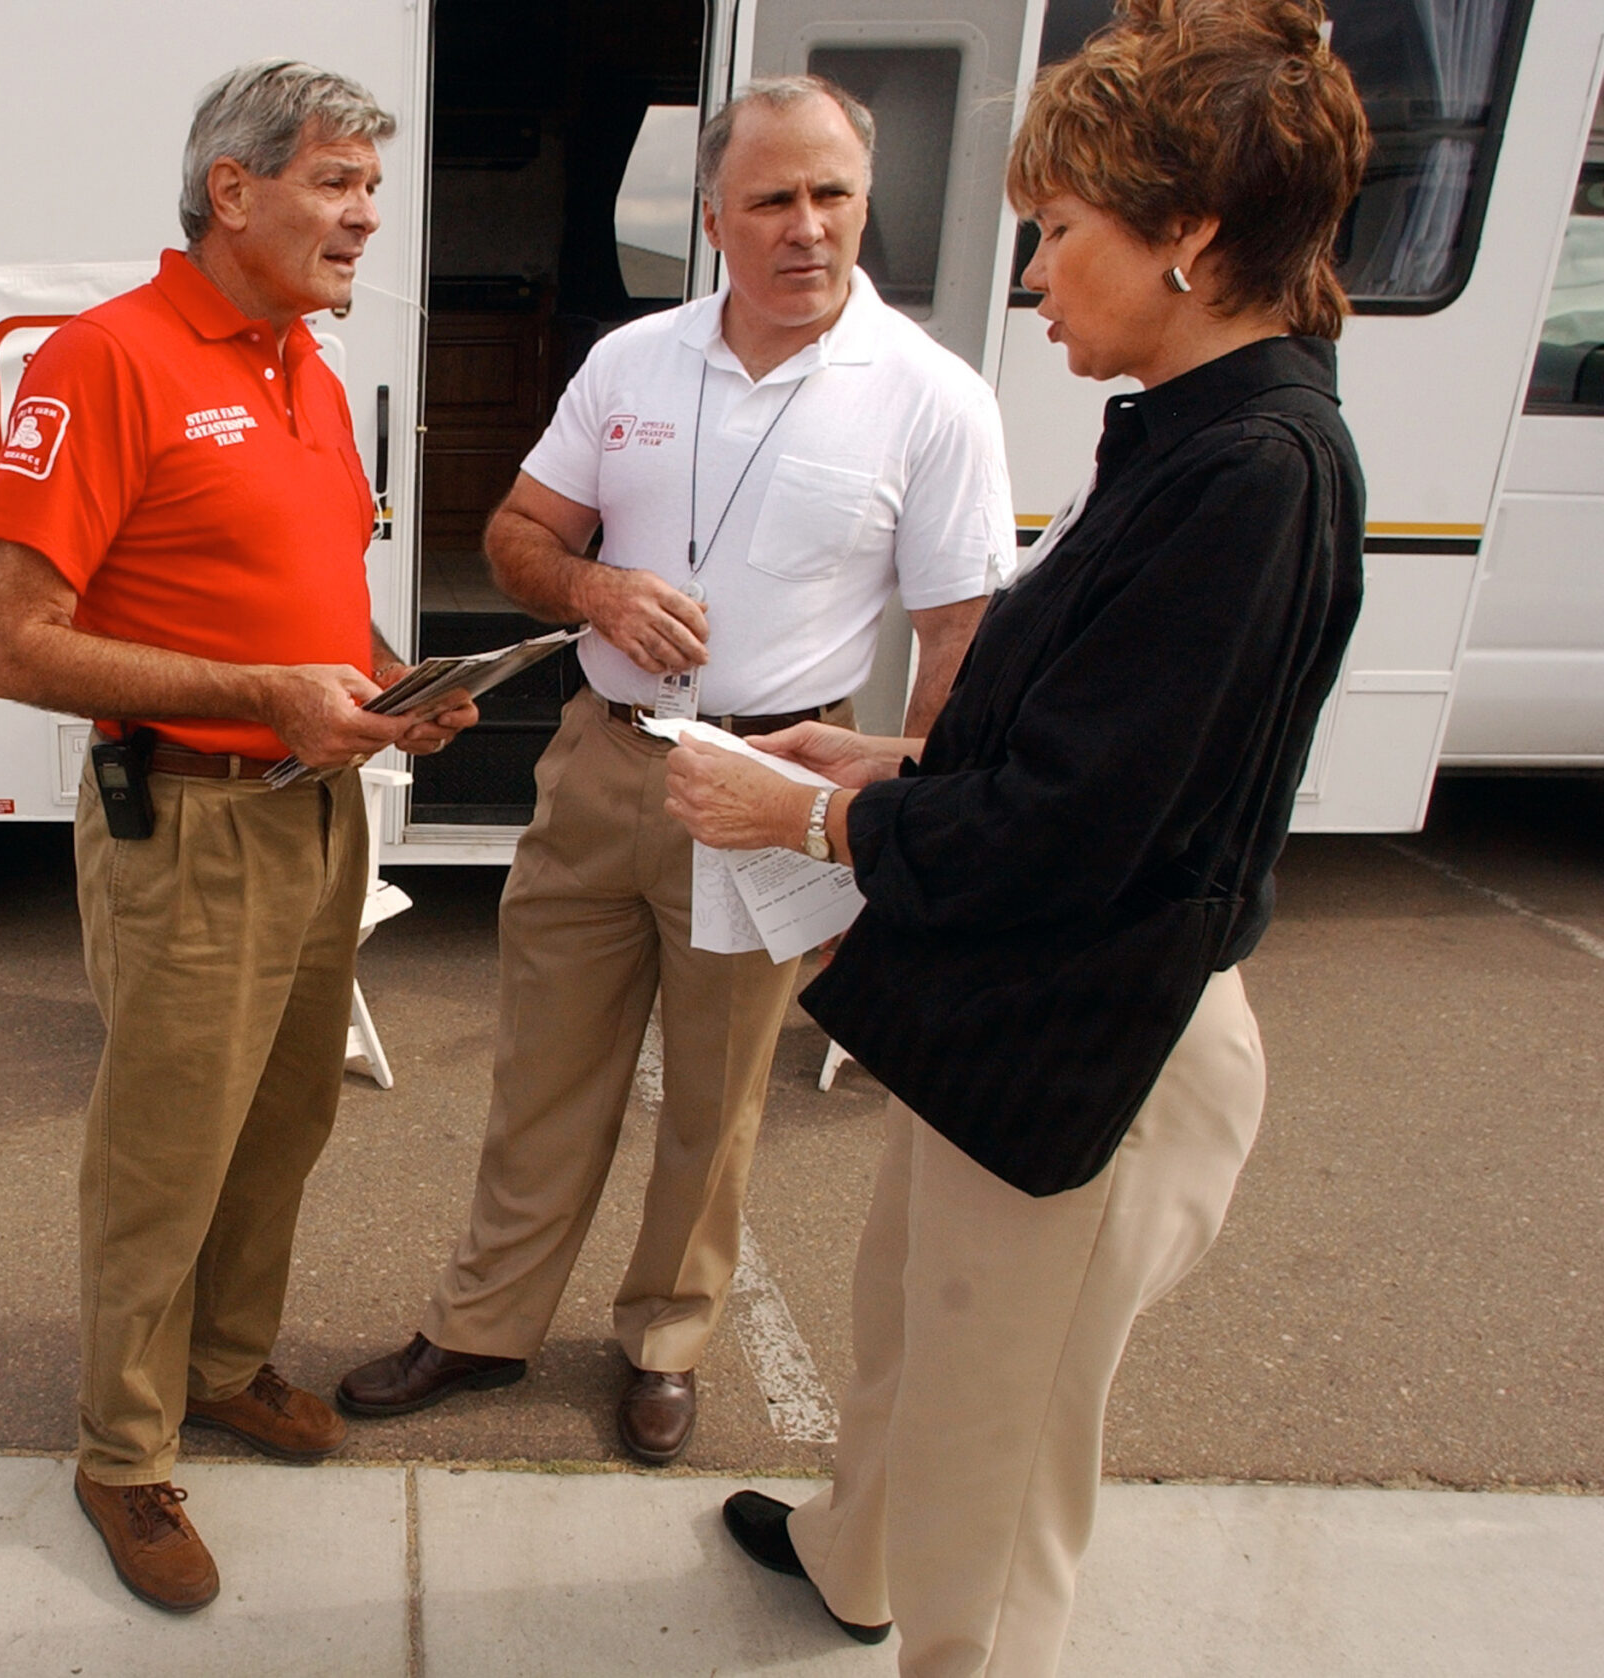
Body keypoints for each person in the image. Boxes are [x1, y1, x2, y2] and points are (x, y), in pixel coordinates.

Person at [673, 2, 1371, 1669]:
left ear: (1189, 237)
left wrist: (817, 814)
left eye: (1058, 234)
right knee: (909, 1326)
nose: (1036, 276)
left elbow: (1079, 829)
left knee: (1005, 1454)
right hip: (1019, 1009)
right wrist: (905, 751)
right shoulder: (1190, 439)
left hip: (1102, 1039)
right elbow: (1103, 745)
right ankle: (857, 1558)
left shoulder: (1256, 474)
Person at [338, 77, 1012, 1465]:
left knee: (717, 1096)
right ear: (714, 218)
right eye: (772, 199)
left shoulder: (934, 398)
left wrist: (918, 811)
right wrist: (594, 588)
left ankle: (666, 1337)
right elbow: (519, 530)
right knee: (543, 1067)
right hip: (600, 763)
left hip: (770, 778)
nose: (807, 228)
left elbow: (958, 630)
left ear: (865, 206)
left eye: (832, 195)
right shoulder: (631, 363)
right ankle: (484, 1321)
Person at [0, 60, 474, 1614]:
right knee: (165, 1151)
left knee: (285, 1119)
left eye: (369, 191)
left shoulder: (303, 369)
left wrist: (390, 678)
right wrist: (261, 688)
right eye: (337, 185)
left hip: (317, 805)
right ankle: (123, 1450)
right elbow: (15, 645)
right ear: (233, 189)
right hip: (187, 816)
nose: (365, 219)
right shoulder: (106, 360)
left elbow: (313, 591)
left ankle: (227, 1364)